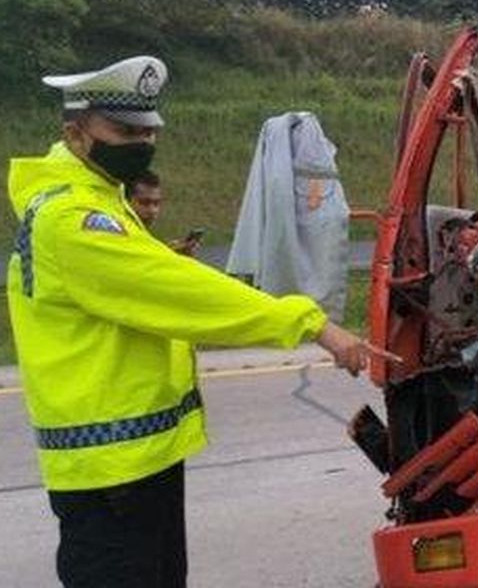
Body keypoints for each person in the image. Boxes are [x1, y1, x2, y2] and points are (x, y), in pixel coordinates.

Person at [5, 55, 370, 587]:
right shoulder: (73, 219)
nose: (141, 143)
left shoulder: (99, 199)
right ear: (76, 133)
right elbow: (181, 292)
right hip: (111, 471)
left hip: (134, 463)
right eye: (124, 131)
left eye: (147, 132)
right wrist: (311, 323)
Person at [128, 169, 202, 256]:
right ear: (126, 201)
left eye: (156, 203)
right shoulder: (120, 235)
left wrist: (169, 252)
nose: (152, 210)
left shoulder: (144, 237)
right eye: (144, 203)